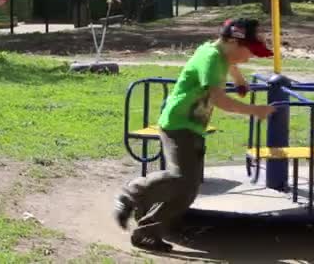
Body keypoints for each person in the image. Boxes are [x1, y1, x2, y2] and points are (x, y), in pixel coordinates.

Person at [113, 18, 276, 252]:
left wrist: (239, 80)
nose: (249, 57)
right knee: (181, 178)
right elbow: (220, 100)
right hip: (178, 124)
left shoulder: (220, 53)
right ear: (231, 41)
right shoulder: (210, 59)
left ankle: (147, 232)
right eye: (248, 51)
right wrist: (254, 110)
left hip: (193, 126)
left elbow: (230, 64)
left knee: (188, 189)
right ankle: (130, 194)